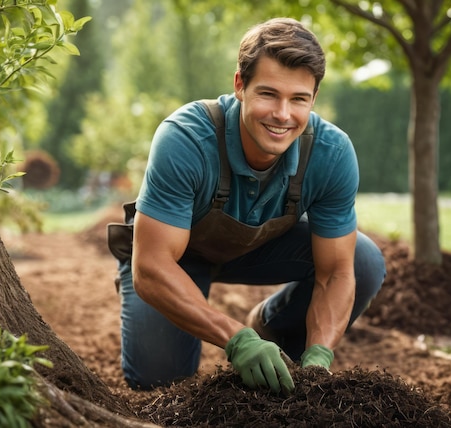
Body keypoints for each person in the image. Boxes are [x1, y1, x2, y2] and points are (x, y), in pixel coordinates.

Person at [107, 17, 386, 394]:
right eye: (269, 94)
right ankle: (245, 340)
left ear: (314, 98)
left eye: (299, 99)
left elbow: (336, 272)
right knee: (160, 380)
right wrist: (236, 339)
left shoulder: (331, 153)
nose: (283, 115)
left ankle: (273, 329)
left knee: (361, 260)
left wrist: (319, 355)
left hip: (257, 250)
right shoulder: (186, 138)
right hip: (173, 257)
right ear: (240, 85)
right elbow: (151, 266)